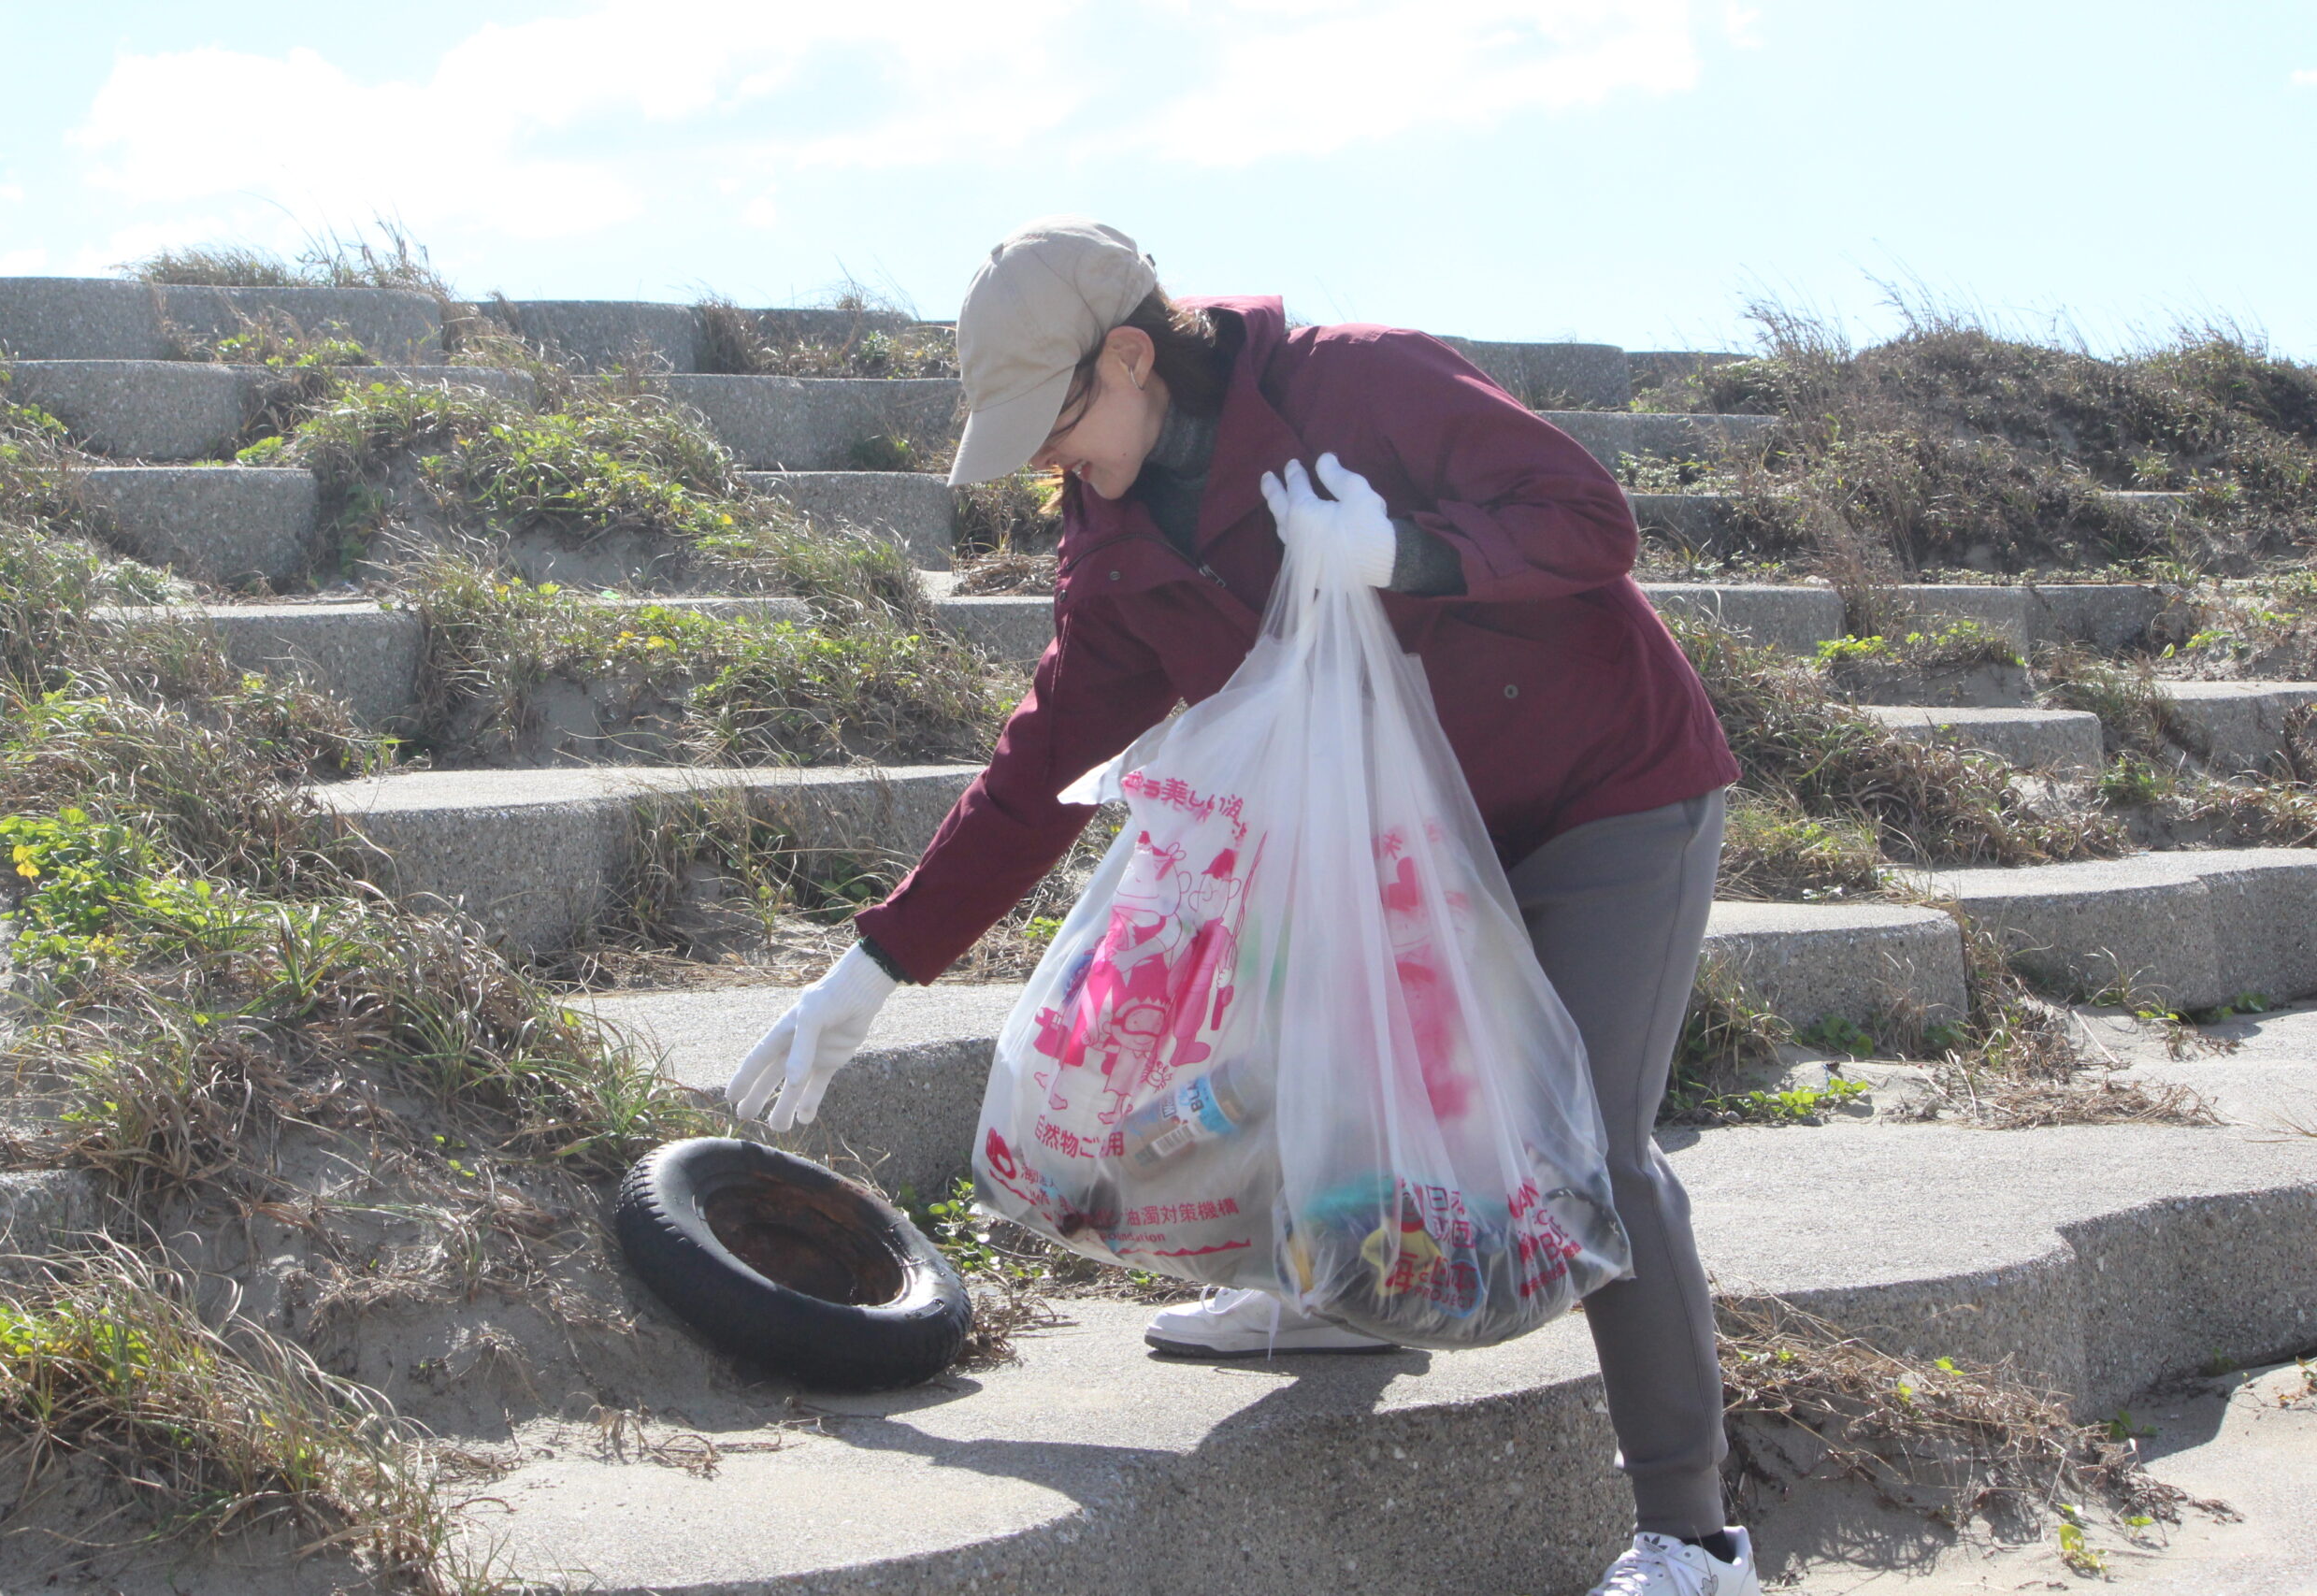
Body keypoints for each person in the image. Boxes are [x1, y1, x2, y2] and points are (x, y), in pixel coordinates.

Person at [727, 217, 1757, 1596]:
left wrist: (1405, 551)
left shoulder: (1362, 382)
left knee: (1592, 1142)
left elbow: (1592, 521)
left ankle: (1692, 1537)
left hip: (1595, 795)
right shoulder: (1116, 544)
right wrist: (872, 968)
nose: (1050, 466)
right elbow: (1040, 774)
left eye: (1057, 426)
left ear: (1135, 355)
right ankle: (1344, 1299)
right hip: (1385, 844)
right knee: (1283, 1039)